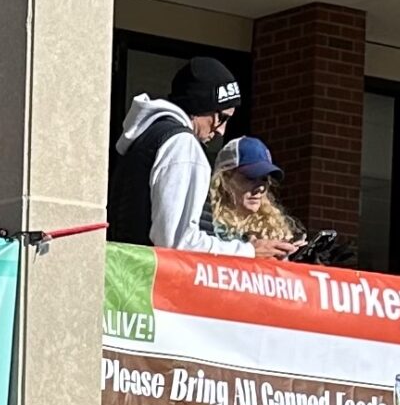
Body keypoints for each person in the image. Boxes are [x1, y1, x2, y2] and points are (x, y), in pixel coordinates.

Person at [109, 57, 294, 258]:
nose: (221, 130)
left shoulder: (147, 137)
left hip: (126, 273)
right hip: (150, 282)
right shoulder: (181, 143)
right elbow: (178, 242)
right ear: (199, 105)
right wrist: (248, 251)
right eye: (221, 117)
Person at [203, 137, 301, 253]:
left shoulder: (273, 228)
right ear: (225, 179)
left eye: (264, 179)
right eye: (251, 177)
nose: (260, 188)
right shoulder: (207, 225)